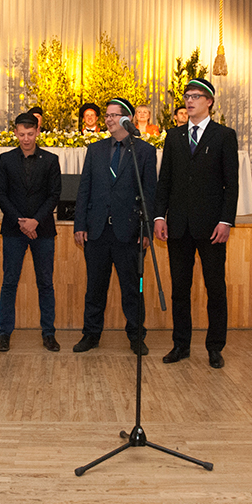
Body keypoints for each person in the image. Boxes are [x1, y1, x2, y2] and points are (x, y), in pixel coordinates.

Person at [154, 78, 239, 369]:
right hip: (178, 225)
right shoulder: (174, 136)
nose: (189, 101)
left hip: (211, 226)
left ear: (209, 101)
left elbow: (231, 184)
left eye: (196, 96)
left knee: (215, 288)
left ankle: (215, 347)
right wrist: (159, 216)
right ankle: (181, 344)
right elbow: (164, 180)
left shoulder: (224, 135)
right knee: (180, 288)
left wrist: (225, 221)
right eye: (187, 96)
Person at [73, 98, 157, 355]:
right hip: (97, 231)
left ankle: (136, 336)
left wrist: (147, 231)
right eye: (107, 115)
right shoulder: (95, 150)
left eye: (114, 115)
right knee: (95, 288)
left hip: (128, 232)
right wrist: (80, 224)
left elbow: (149, 193)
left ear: (127, 119)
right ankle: (91, 334)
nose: (108, 119)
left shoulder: (144, 151)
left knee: (132, 288)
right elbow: (84, 189)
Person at [0, 112, 62, 352]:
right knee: (9, 282)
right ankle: (4, 334)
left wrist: (35, 221)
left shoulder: (50, 160)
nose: (26, 139)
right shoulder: (5, 159)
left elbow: (54, 194)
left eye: (30, 134)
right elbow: (1, 194)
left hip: (43, 230)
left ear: (37, 132)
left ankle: (49, 333)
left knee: (45, 283)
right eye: (21, 134)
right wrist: (22, 222)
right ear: (15, 133)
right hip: (14, 230)